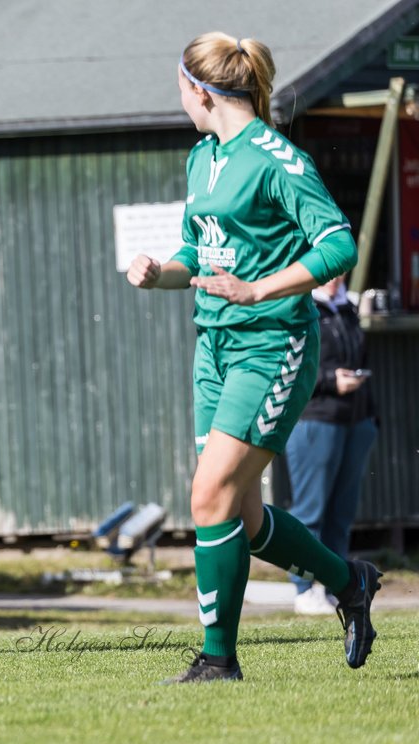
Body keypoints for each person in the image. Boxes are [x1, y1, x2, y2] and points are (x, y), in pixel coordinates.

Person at [125, 32, 380, 682]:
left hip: (274, 345)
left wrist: (260, 289)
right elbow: (198, 254)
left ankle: (218, 659)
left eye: (178, 87)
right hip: (212, 346)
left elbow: (336, 243)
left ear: (198, 90)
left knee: (208, 495)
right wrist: (160, 272)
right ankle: (349, 582)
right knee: (236, 511)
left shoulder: (276, 159)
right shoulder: (203, 157)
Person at [285, 273, 378, 614]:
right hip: (316, 418)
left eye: (341, 269)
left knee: (341, 513)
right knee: (310, 512)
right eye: (330, 267)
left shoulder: (346, 308)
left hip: (355, 420)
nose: (337, 275)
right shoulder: (299, 304)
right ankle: (304, 589)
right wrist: (328, 381)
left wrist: (371, 418)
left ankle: (338, 585)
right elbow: (289, 365)